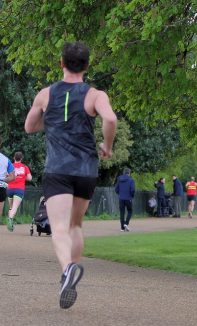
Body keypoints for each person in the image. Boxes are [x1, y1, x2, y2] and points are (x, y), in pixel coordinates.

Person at [24, 41, 117, 309]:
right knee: (75, 226)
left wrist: (50, 121)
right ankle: (72, 270)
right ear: (86, 66)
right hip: (86, 169)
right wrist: (107, 147)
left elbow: (30, 126)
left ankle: (67, 271)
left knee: (59, 228)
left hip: (58, 169)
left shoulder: (45, 94)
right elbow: (110, 119)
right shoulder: (95, 95)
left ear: (61, 63)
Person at [6, 151, 33, 232]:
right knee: (15, 207)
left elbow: (6, 176)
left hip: (10, 189)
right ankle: (10, 219)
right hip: (19, 189)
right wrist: (22, 177)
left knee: (11, 207)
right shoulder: (24, 167)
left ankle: (10, 223)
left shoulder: (10, 166)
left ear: (14, 158)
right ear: (21, 158)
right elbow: (30, 178)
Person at [115, 167, 135, 231]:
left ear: (124, 172)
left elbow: (116, 189)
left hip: (121, 198)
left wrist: (120, 194)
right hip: (128, 198)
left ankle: (122, 228)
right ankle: (126, 223)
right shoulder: (131, 180)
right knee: (130, 211)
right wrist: (131, 196)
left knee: (122, 213)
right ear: (129, 173)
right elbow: (133, 190)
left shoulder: (119, 179)